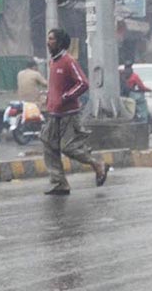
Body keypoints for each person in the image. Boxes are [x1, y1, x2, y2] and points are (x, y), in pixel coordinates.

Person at [41, 29, 109, 196]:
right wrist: (49, 99)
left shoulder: (68, 61)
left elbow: (83, 83)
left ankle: (97, 164)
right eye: (48, 39)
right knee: (49, 145)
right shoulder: (52, 62)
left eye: (52, 39)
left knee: (68, 147)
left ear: (60, 42)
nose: (48, 42)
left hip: (68, 114)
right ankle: (59, 183)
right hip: (53, 113)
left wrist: (66, 97)